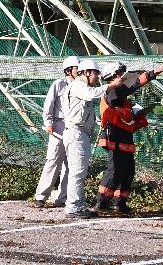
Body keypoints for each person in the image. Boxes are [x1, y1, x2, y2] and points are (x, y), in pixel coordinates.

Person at [62, 58, 128, 219]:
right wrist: (111, 86)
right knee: (77, 173)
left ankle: (78, 205)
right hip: (76, 133)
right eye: (96, 73)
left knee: (79, 172)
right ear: (86, 72)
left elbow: (84, 110)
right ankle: (73, 207)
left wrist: (97, 120)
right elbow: (91, 94)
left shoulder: (81, 86)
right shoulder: (79, 86)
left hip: (80, 133)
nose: (98, 77)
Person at [96, 65, 163, 215]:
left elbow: (125, 109)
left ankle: (119, 203)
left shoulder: (121, 96)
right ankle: (102, 202)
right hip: (114, 137)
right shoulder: (112, 91)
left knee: (128, 171)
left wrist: (137, 114)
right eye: (121, 74)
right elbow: (130, 87)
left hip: (124, 137)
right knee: (115, 170)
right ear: (113, 77)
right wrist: (150, 75)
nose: (123, 77)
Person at [31, 55, 80, 208]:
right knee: (53, 160)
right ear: (68, 70)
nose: (80, 71)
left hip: (74, 127)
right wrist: (48, 123)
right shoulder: (59, 84)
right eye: (77, 68)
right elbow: (49, 104)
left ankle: (63, 197)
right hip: (59, 125)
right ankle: (41, 196)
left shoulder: (82, 86)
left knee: (70, 164)